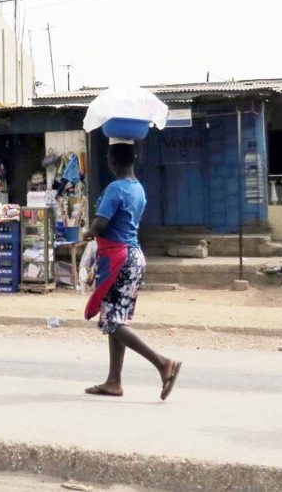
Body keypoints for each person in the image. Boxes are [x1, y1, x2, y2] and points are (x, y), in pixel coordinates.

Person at [82, 142, 181, 400]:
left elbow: (101, 225)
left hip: (119, 258)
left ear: (112, 161)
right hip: (135, 256)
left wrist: (89, 231)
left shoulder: (115, 189)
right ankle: (114, 381)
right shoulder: (138, 189)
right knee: (117, 319)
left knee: (111, 321)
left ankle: (163, 363)